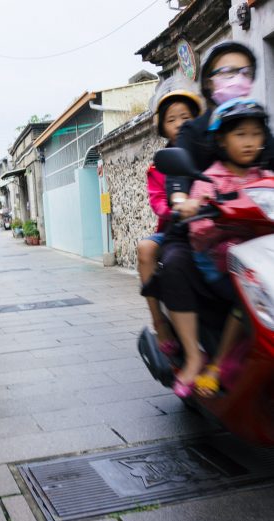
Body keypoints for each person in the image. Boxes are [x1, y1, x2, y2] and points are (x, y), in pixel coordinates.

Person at [152, 40, 274, 397]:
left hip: (257, 231)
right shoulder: (194, 130)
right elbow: (178, 177)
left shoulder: (259, 125)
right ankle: (195, 357)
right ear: (208, 81)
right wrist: (183, 201)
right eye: (227, 71)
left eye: (245, 71)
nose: (237, 78)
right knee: (175, 263)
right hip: (203, 230)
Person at [187, 99, 272, 396]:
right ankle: (217, 364)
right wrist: (208, 213)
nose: (249, 142)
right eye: (240, 134)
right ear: (221, 140)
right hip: (219, 262)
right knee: (250, 294)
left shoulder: (266, 178)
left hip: (262, 257)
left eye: (256, 134)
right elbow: (198, 230)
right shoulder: (209, 180)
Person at [137, 80, 202, 354]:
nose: (179, 124)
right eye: (171, 119)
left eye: (185, 117)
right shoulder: (159, 165)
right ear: (162, 126)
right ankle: (159, 321)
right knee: (145, 249)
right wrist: (176, 210)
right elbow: (158, 202)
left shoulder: (208, 153)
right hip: (173, 229)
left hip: (212, 225)